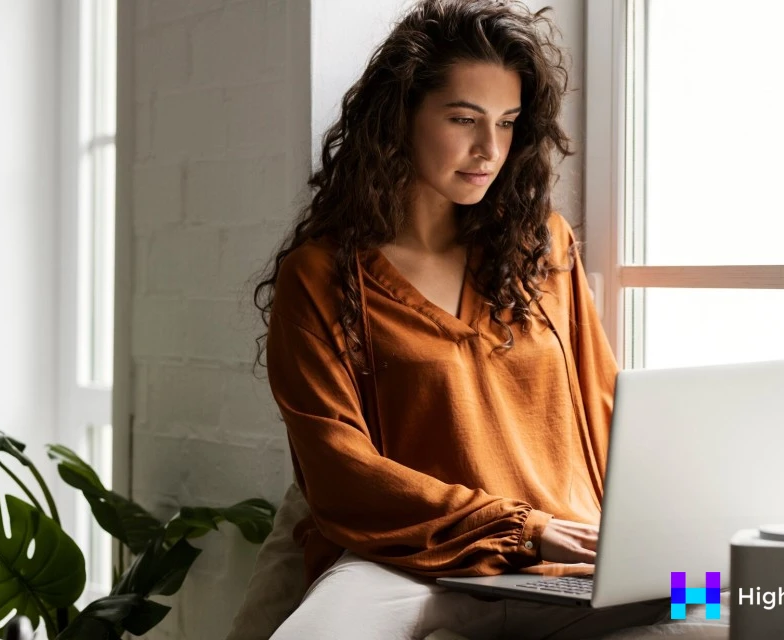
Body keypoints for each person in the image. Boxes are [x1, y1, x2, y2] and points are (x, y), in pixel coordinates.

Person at [250, 1, 671, 637]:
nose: (489, 150)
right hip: (410, 566)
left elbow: (605, 406)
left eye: (507, 123)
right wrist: (521, 528)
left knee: (744, 607)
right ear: (401, 120)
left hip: (569, 561)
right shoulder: (321, 276)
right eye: (463, 119)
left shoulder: (544, 247)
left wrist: (658, 541)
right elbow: (339, 473)